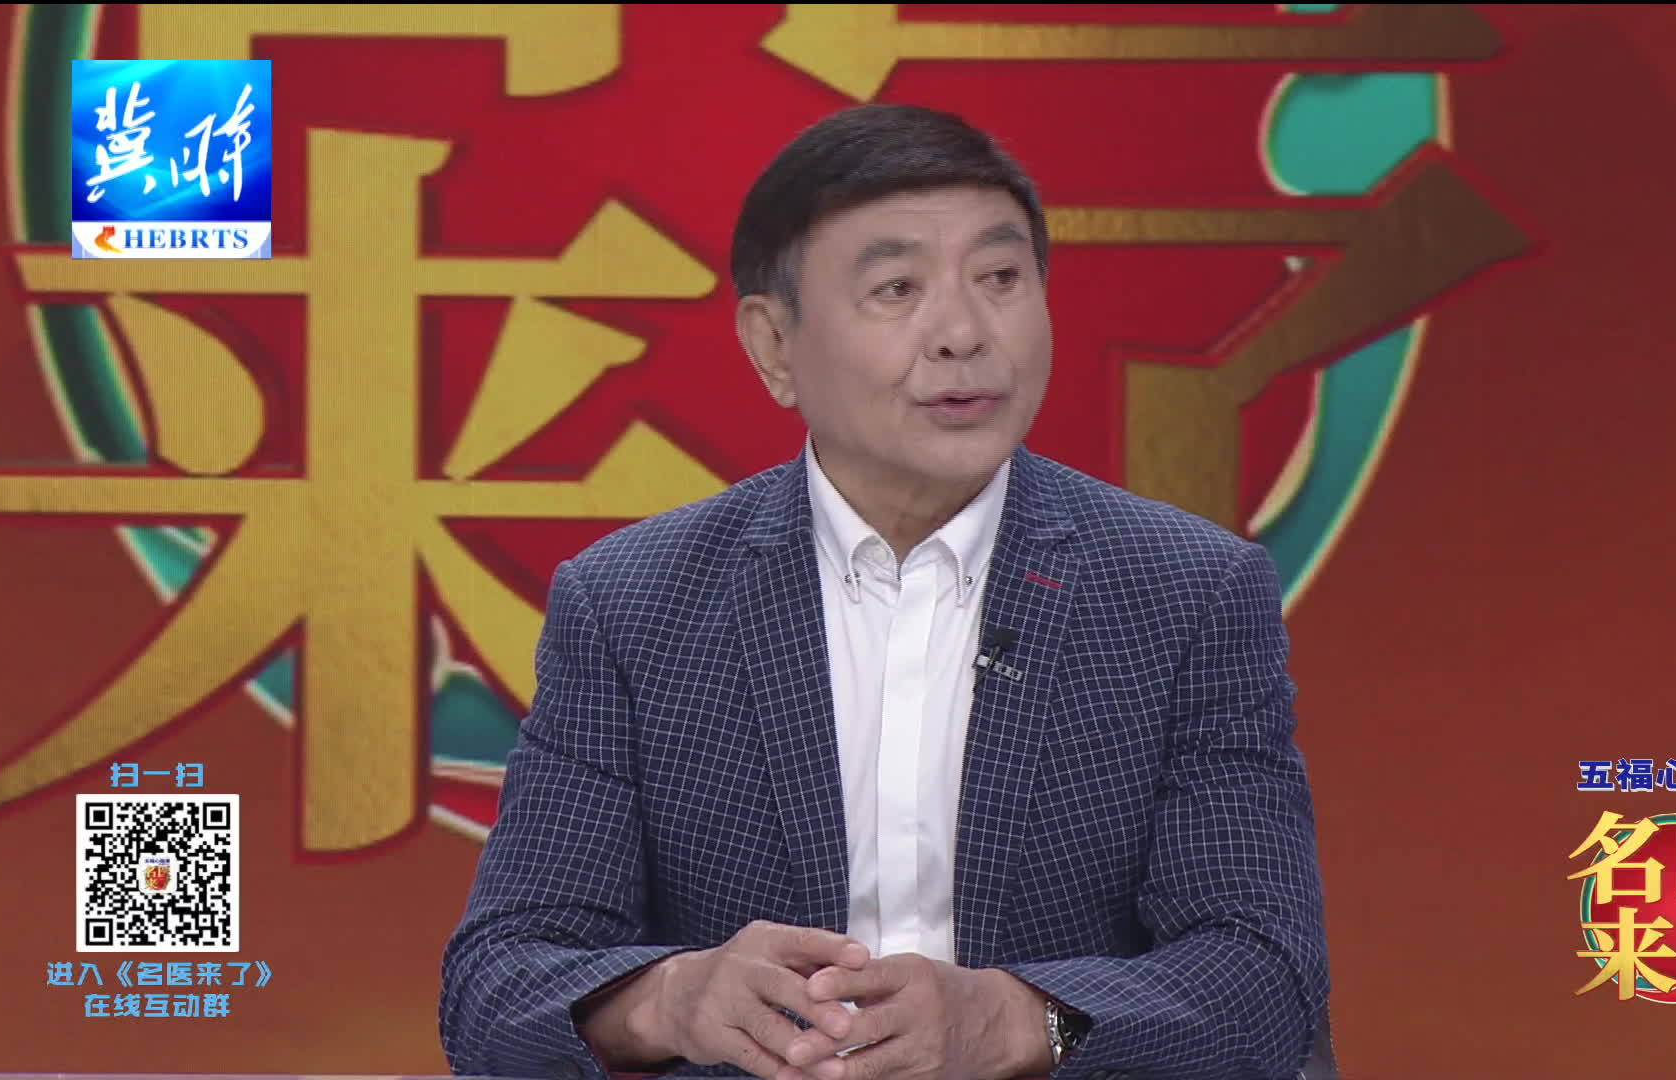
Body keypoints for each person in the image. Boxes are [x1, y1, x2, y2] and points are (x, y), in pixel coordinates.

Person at [439, 103, 1329, 1080]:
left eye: (1000, 278)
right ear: (774, 346)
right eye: (897, 288)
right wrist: (673, 999)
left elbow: (1263, 978)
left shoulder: (1184, 592)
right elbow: (499, 985)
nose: (963, 333)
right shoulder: (633, 605)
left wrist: (1017, 1022)